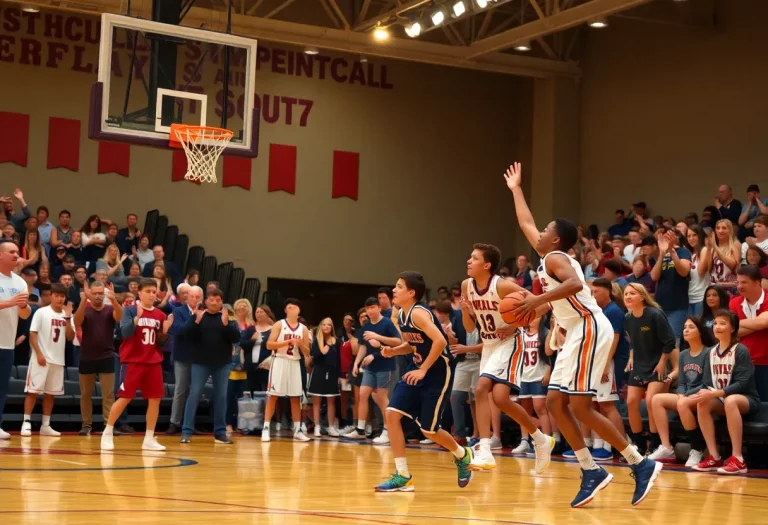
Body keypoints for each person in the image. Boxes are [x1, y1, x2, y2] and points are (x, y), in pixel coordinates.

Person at [505, 162, 661, 508]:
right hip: (576, 328)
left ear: (555, 239)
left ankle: (640, 463)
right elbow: (526, 223)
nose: (538, 233)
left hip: (588, 326)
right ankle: (591, 470)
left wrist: (536, 299)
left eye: (545, 230)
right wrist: (516, 189)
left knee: (579, 405)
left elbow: (577, 285)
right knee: (554, 403)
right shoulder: (550, 256)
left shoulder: (556, 258)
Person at [374, 271, 473, 492]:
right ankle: (402, 474)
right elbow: (414, 343)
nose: (394, 290)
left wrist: (423, 369)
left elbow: (440, 340)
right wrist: (394, 350)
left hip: (437, 371)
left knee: (429, 430)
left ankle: (462, 454)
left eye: (399, 287)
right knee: (391, 414)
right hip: (417, 368)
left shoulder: (419, 313)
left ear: (411, 292)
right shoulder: (401, 315)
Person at [458, 243, 554, 472]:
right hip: (490, 345)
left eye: (474, 258)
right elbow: (470, 326)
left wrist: (515, 325)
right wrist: (464, 310)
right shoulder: (466, 286)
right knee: (500, 399)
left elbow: (543, 304)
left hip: (510, 342)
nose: (469, 261)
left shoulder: (501, 286)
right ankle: (541, 439)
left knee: (481, 389)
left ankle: (485, 449)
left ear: (487, 265)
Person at [101, 278, 173, 451]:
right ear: (139, 292)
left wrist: (165, 330)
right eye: (147, 291)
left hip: (153, 362)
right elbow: (124, 333)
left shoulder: (160, 315)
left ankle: (149, 438)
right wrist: (136, 319)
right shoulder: (130, 310)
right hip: (133, 361)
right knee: (125, 397)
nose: (151, 294)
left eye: (154, 292)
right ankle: (108, 432)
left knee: (155, 399)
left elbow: (161, 343)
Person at [691, 310, 761, 474]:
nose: (718, 327)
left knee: (730, 401)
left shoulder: (740, 350)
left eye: (723, 323)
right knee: (702, 402)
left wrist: (717, 393)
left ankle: (738, 458)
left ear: (732, 328)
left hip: (746, 399)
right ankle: (714, 456)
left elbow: (742, 384)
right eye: (715, 323)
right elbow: (707, 383)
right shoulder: (711, 352)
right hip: (722, 399)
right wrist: (692, 396)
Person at [648, 316, 713, 466]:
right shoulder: (683, 354)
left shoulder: (708, 352)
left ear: (700, 331)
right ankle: (666, 447)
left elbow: (707, 383)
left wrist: (685, 396)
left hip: (704, 394)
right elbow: (682, 382)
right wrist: (682, 393)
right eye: (684, 327)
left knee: (682, 403)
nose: (686, 330)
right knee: (656, 399)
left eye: (691, 327)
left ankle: (697, 448)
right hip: (687, 395)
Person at [623, 283, 678, 455]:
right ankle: (639, 445)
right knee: (631, 402)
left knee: (650, 401)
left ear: (642, 296)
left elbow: (669, 341)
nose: (628, 297)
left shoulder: (654, 314)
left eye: (632, 293)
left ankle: (655, 444)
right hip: (640, 364)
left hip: (657, 364)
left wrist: (662, 362)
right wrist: (632, 356)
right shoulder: (628, 318)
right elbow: (632, 341)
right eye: (625, 294)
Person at [181, 288, 240, 444]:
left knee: (221, 397)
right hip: (200, 363)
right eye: (211, 299)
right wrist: (196, 321)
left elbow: (236, 338)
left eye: (218, 300)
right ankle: (186, 431)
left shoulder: (228, 318)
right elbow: (186, 335)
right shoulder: (198, 316)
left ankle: (220, 433)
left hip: (222, 364)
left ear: (222, 302)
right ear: (205, 301)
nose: (214, 302)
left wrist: (226, 325)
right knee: (194, 394)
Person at [343, 298, 402, 444]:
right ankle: (360, 429)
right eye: (367, 308)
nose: (370, 311)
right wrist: (356, 364)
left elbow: (398, 341)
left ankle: (388, 431)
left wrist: (378, 338)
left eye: (373, 307)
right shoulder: (366, 326)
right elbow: (363, 346)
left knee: (382, 398)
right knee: (363, 394)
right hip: (369, 367)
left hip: (385, 365)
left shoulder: (387, 323)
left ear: (379, 308)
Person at [21, 284, 74, 436]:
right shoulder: (41, 312)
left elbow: (70, 337)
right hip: (41, 358)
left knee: (50, 394)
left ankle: (46, 425)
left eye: (62, 296)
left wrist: (69, 318)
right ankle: (26, 422)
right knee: (33, 391)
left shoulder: (66, 314)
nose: (59, 298)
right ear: (51, 296)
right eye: (56, 295)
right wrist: (38, 353)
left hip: (58, 360)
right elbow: (32, 333)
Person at [74, 280, 123, 436]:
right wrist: (83, 300)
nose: (97, 296)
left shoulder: (109, 309)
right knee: (85, 394)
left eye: (100, 293)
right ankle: (86, 424)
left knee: (108, 394)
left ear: (104, 294)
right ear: (90, 294)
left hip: (106, 356)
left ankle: (108, 425)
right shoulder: (85, 309)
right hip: (86, 357)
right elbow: (77, 322)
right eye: (94, 293)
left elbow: (120, 316)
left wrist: (114, 299)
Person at [588, 278, 630, 461]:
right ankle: (611, 444)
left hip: (610, 362)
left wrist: (605, 364)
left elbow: (614, 338)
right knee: (598, 405)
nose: (593, 295)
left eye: (596, 292)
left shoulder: (613, 311)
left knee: (607, 405)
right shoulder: (601, 311)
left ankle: (625, 448)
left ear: (608, 291)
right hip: (600, 362)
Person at [262, 298, 311, 442]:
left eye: (294, 307)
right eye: (289, 307)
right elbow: (269, 345)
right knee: (273, 395)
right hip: (280, 361)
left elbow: (307, 352)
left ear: (299, 310)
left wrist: (300, 343)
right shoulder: (279, 324)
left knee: (296, 397)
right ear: (285, 310)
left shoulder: (303, 329)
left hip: (295, 363)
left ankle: (297, 430)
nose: (292, 309)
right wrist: (287, 342)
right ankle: (265, 428)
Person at [0, 239, 31, 439]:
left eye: (17, 252)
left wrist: (22, 306)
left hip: (6, 343)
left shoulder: (20, 282)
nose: (16, 255)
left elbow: (25, 315)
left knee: (2, 387)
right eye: (11, 251)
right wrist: (10, 302)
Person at [165, 285, 203, 435]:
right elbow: (179, 330)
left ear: (201, 298)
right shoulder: (178, 311)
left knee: (196, 391)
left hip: (200, 357)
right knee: (180, 389)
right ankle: (174, 422)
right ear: (186, 297)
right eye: (191, 296)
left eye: (197, 297)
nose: (194, 299)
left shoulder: (205, 313)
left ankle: (190, 423)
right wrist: (195, 319)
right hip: (182, 356)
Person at [729, 265, 768, 401]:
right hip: (742, 364)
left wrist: (736, 324)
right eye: (738, 282)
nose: (739, 286)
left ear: (757, 282)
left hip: (765, 362)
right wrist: (758, 323)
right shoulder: (734, 303)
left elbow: (764, 322)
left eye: (744, 282)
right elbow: (730, 332)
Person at [307, 317, 341, 437]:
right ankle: (317, 426)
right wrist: (322, 352)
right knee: (316, 401)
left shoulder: (337, 341)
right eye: (324, 324)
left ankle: (331, 427)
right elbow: (314, 357)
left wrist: (340, 375)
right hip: (318, 372)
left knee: (331, 401)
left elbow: (338, 360)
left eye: (329, 325)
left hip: (332, 373)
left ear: (332, 327)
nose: (326, 327)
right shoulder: (316, 341)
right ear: (320, 326)